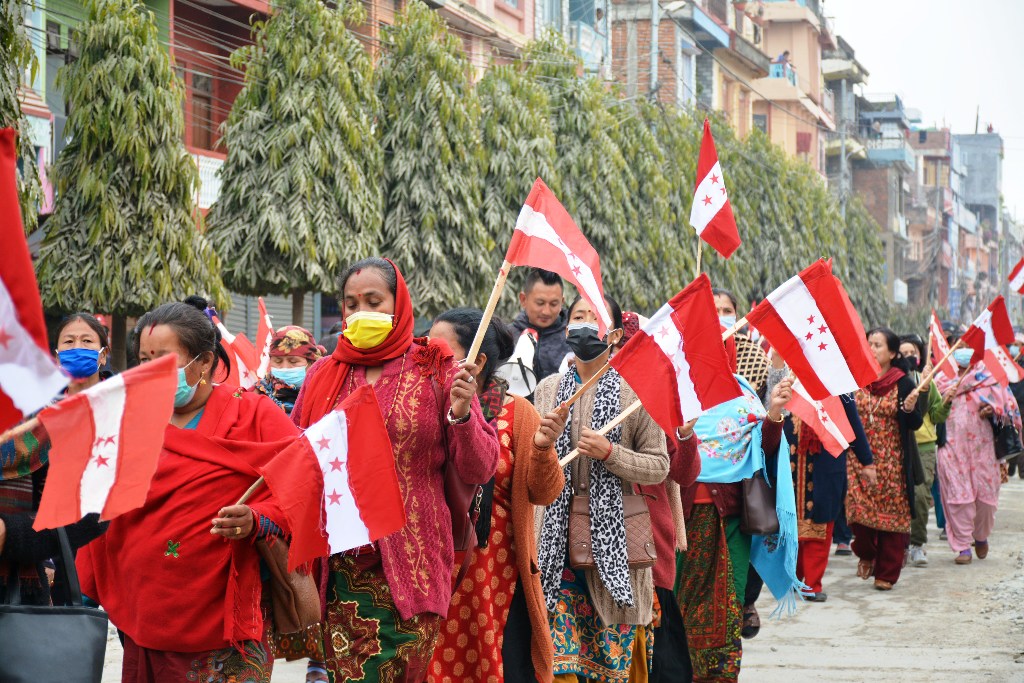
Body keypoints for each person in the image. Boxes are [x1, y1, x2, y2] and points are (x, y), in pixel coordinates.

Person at [291, 257, 499, 683]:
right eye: (351, 303)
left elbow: (480, 466)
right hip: (337, 567)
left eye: (373, 300)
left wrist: (461, 413)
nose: (360, 311)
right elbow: (296, 455)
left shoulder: (437, 369)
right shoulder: (322, 375)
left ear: (398, 303)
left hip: (413, 562)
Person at [76, 299, 299, 682]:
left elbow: (300, 487)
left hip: (226, 620)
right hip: (142, 609)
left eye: (164, 360)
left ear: (205, 361)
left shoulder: (255, 415)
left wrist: (258, 520)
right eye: (143, 359)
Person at [426, 308, 566, 683]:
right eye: (427, 348)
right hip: (434, 566)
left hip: (494, 572)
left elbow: (546, 491)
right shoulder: (423, 407)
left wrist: (541, 450)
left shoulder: (517, 413)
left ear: (479, 361)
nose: (431, 357)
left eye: (442, 351)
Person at [534, 294, 669, 683]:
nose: (583, 324)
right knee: (559, 663)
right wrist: (542, 444)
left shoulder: (635, 392)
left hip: (614, 549)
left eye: (593, 317)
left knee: (610, 668)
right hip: (555, 547)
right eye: (578, 316)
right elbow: (530, 462)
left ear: (611, 334)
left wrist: (612, 454)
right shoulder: (547, 389)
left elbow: (659, 465)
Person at [676, 349, 795, 682]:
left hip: (730, 520)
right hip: (679, 521)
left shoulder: (742, 394)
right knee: (677, 607)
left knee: (728, 608)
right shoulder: (677, 390)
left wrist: (773, 414)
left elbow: (763, 450)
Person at [0, 313, 111, 606]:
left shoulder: (37, 422)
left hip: (17, 598)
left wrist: (8, 534)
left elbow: (90, 513)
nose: (78, 348)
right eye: (70, 341)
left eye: (86, 341)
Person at [618, 312, 698, 683]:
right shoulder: (568, 388)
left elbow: (683, 474)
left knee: (660, 651)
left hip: (648, 534)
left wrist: (683, 434)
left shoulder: (660, 399)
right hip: (586, 534)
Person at [848, 328, 924, 591]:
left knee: (892, 518)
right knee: (858, 514)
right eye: (868, 343)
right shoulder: (855, 378)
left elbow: (914, 423)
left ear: (892, 353)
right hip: (858, 458)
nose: (871, 349)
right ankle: (867, 553)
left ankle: (887, 573)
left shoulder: (903, 382)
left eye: (877, 345)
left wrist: (910, 408)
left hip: (892, 461)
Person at [936, 346, 1021, 565]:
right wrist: (943, 400)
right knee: (957, 497)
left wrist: (995, 411)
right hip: (952, 449)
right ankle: (963, 545)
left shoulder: (991, 378)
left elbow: (1011, 414)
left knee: (986, 500)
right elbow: (929, 413)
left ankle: (981, 536)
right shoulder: (942, 380)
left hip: (984, 451)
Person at [899, 334, 951, 567]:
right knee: (897, 498)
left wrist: (946, 401)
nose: (909, 357)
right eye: (904, 353)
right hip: (898, 446)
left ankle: (917, 543)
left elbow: (937, 415)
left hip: (925, 447)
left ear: (920, 356)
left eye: (913, 353)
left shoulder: (926, 379)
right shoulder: (892, 380)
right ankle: (897, 544)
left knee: (921, 497)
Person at [511, 268, 572, 381]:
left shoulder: (573, 337)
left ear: (562, 302)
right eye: (540, 303)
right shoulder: (507, 336)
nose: (546, 311)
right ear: (523, 299)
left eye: (553, 304)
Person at [252, 325, 324, 415]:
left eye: (293, 362)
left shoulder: (325, 397)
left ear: (311, 363)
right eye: (278, 361)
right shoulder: (254, 396)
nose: (285, 367)